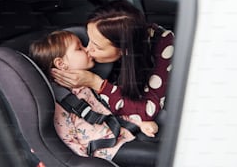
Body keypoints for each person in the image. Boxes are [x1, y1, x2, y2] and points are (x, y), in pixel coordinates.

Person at [50, 0, 174, 166]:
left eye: (97, 47)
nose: (88, 49)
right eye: (88, 40)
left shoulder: (163, 43)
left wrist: (97, 83)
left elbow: (147, 110)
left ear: (124, 50)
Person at [29, 30, 158, 161]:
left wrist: (139, 123)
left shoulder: (86, 86)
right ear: (61, 64)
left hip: (122, 136)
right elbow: (67, 144)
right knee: (162, 156)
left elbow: (110, 111)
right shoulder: (60, 103)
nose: (87, 49)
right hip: (104, 152)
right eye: (79, 48)